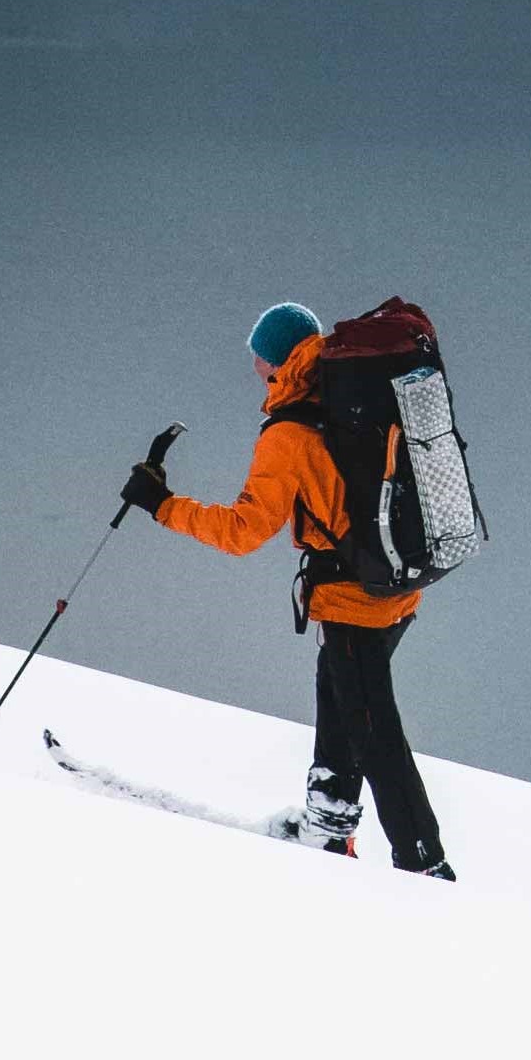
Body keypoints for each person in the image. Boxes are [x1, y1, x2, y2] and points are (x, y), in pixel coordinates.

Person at [123, 299, 457, 877]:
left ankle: (424, 865)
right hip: (398, 584)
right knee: (342, 708)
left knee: (375, 733)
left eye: (256, 357)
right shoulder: (353, 397)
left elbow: (242, 532)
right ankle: (326, 830)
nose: (253, 367)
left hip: (354, 601)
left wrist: (161, 505)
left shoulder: (291, 431)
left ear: (272, 361)